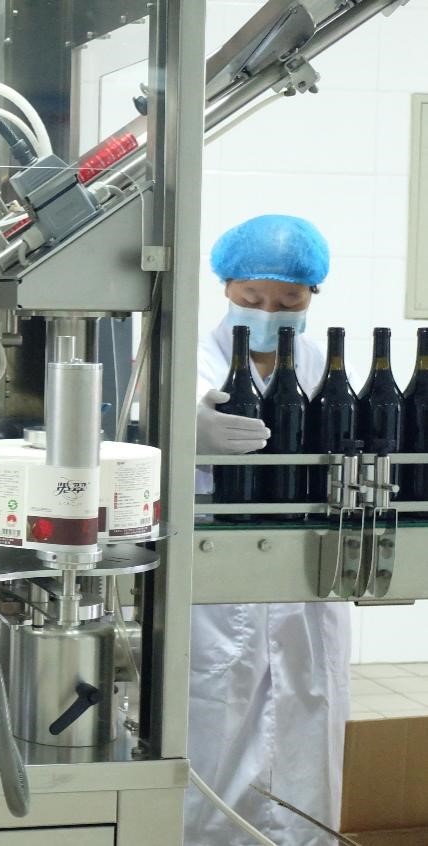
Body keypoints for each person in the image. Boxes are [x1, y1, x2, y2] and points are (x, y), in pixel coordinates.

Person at [188, 214, 350, 845]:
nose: (268, 313)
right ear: (226, 287)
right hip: (218, 579)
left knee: (309, 713)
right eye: (252, 298)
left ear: (313, 296)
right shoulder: (188, 363)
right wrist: (185, 431)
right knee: (214, 723)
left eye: (288, 301)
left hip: (304, 577)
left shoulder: (320, 367)